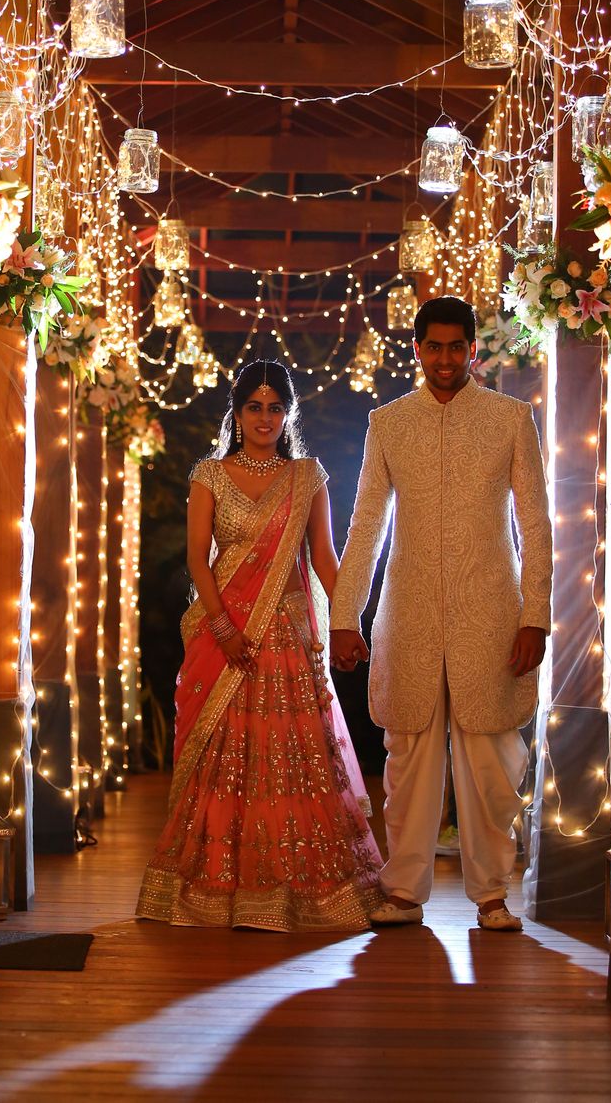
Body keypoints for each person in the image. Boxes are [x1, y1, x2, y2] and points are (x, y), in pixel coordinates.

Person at [330, 296, 553, 932]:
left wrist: (534, 614)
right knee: (408, 758)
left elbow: (534, 525)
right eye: (435, 346)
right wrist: (347, 613)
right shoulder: (390, 422)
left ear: (472, 350)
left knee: (492, 763)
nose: (446, 358)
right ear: (419, 348)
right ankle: (403, 891)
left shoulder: (511, 419)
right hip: (409, 610)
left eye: (457, 347)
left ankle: (491, 896)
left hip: (493, 609)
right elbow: (367, 521)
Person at [137, 360, 384, 931]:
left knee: (293, 760)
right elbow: (199, 558)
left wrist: (348, 619)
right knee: (225, 754)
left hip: (288, 635)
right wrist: (222, 628)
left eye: (275, 407)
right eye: (255, 407)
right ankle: (213, 884)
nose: (265, 418)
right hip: (226, 631)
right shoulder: (210, 474)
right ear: (238, 411)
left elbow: (323, 558)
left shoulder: (307, 478)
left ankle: (301, 886)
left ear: (288, 412)